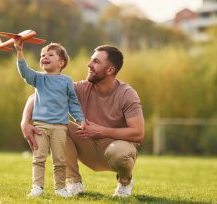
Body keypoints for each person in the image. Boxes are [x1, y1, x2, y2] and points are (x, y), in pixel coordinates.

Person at [21, 45, 144, 197]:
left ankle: (125, 182)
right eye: (91, 60)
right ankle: (74, 182)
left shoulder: (127, 94)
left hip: (117, 150)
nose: (89, 65)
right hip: (88, 145)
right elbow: (35, 97)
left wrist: (101, 130)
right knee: (60, 125)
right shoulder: (81, 88)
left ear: (110, 70)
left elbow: (138, 133)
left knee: (118, 152)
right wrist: (25, 123)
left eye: (96, 62)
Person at [14, 39, 85, 198]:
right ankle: (37, 187)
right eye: (42, 55)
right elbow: (25, 72)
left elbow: (73, 103)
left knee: (60, 160)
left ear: (61, 63)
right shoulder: (39, 78)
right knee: (38, 158)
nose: (44, 57)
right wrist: (19, 51)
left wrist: (80, 119)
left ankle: (60, 188)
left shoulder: (66, 81)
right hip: (40, 126)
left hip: (60, 127)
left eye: (50, 55)